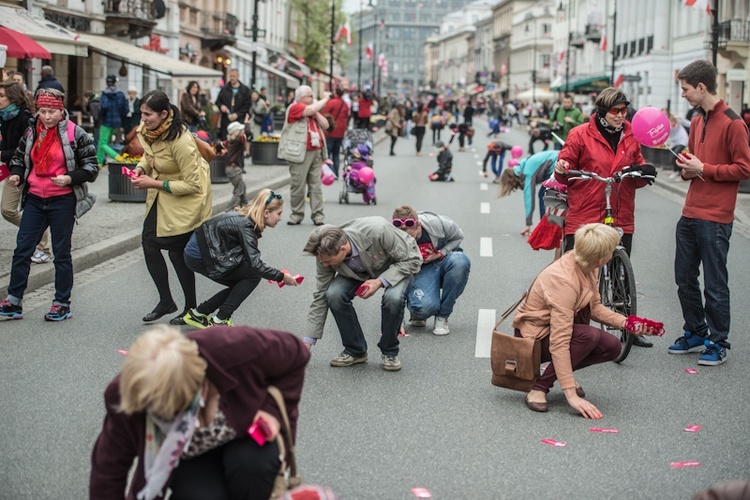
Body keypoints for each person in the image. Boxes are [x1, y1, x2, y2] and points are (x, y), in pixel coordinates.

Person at [89, 324, 310, 500]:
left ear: (201, 387)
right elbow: (109, 469)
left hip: (247, 436)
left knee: (252, 467)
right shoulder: (126, 396)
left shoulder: (232, 348)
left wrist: (272, 411)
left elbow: (297, 352)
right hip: (189, 455)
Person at [513, 223, 656, 417]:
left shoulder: (587, 264)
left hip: (554, 330)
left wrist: (627, 323)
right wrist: (571, 395)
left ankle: (556, 373)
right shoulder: (563, 280)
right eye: (611, 250)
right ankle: (539, 388)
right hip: (532, 337)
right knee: (588, 336)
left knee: (612, 346)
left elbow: (595, 307)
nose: (614, 253)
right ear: (600, 258)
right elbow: (559, 341)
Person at [553, 87, 654, 347]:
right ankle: (573, 328)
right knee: (577, 276)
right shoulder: (579, 135)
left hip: (620, 212)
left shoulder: (631, 134)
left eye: (624, 110)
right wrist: (563, 168)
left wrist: (643, 171)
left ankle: (627, 327)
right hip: (586, 213)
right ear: (601, 112)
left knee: (621, 272)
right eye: (615, 111)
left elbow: (637, 174)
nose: (622, 116)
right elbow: (563, 172)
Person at [668, 59, 750, 366]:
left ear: (702, 87)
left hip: (716, 217)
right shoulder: (697, 120)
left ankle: (718, 341)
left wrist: (705, 168)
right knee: (684, 278)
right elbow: (694, 162)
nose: (684, 95)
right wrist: (688, 169)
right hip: (690, 211)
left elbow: (744, 168)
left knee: (715, 284)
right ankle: (696, 331)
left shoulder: (734, 122)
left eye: (686, 89)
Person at [0, 88, 98, 321]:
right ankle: (14, 301)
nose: (46, 116)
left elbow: (92, 167)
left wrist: (69, 178)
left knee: (61, 253)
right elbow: (19, 158)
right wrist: (17, 174)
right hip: (34, 198)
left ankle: (61, 303)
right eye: (43, 111)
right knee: (22, 250)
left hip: (62, 200)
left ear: (61, 110)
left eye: (52, 111)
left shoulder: (76, 133)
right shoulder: (32, 130)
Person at [129, 90, 212, 325]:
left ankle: (190, 308)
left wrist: (152, 183)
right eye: (141, 113)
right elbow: (150, 154)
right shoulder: (151, 129)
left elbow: (193, 184)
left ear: (164, 114)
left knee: (178, 253)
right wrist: (141, 168)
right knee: (150, 243)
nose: (143, 118)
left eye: (148, 114)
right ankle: (168, 301)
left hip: (187, 201)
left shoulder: (181, 141)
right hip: (163, 196)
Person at [302, 218, 421, 371]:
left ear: (343, 248)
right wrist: (308, 341)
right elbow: (320, 294)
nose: (325, 265)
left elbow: (412, 260)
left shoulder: (379, 231)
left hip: (398, 265)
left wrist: (380, 281)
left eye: (329, 261)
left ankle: (389, 351)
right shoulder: (325, 253)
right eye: (322, 261)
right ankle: (355, 350)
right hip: (358, 271)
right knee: (333, 294)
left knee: (393, 298)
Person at [182, 189, 298, 328]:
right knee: (253, 276)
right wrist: (282, 277)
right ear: (266, 213)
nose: (280, 218)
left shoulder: (247, 220)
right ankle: (221, 320)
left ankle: (199, 314)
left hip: (203, 252)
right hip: (199, 256)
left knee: (240, 285)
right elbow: (256, 265)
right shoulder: (246, 227)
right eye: (279, 213)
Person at [392, 206, 470, 336]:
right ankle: (417, 310)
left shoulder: (437, 224)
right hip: (418, 269)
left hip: (442, 260)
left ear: (419, 225)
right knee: (422, 309)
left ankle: (443, 316)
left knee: (460, 261)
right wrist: (396, 320)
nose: (409, 240)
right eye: (404, 237)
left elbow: (458, 236)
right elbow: (394, 276)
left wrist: (441, 253)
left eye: (412, 236)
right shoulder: (390, 237)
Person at [0, 80, 52, 264]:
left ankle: (42, 247)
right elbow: (6, 145)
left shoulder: (25, 119)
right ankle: (37, 233)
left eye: (1, 96)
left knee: (25, 208)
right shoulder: (5, 117)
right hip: (11, 169)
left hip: (28, 170)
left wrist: (2, 153)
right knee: (7, 210)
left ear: (12, 97)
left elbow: (26, 148)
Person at [278, 86, 329, 226]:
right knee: (298, 185)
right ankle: (296, 214)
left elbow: (325, 125)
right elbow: (311, 110)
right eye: (310, 96)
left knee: (316, 186)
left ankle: (318, 216)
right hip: (300, 153)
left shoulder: (312, 110)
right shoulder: (294, 107)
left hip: (316, 151)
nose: (312, 99)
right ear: (301, 98)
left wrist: (316, 111)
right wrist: (324, 99)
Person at [498, 150, 558, 236]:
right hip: (558, 160)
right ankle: (548, 225)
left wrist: (528, 223)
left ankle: (545, 228)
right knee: (545, 193)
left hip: (558, 163)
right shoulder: (523, 165)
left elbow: (529, 198)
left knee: (543, 195)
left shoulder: (527, 172)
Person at [97, 74, 128, 166]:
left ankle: (116, 156)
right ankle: (99, 162)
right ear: (115, 82)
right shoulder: (121, 94)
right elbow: (126, 109)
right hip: (117, 123)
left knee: (102, 143)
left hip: (106, 122)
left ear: (107, 83)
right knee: (104, 142)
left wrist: (101, 117)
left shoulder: (104, 94)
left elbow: (103, 107)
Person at [215, 69, 252, 140]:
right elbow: (218, 102)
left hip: (239, 119)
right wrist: (221, 106)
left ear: (238, 76)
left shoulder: (245, 90)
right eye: (230, 76)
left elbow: (247, 105)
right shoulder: (224, 89)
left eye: (234, 76)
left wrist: (238, 114)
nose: (232, 78)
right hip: (226, 119)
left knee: (238, 140)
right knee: (226, 139)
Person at [321, 86, 349, 178]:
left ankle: (331, 173)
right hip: (340, 132)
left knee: (328, 153)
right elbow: (347, 117)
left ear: (336, 92)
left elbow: (324, 115)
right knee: (336, 153)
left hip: (331, 131)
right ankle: (336, 172)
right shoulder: (344, 104)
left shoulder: (331, 103)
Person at [220, 121, 249, 212]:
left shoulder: (230, 141)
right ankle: (229, 210)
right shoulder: (238, 140)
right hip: (234, 169)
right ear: (237, 132)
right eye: (241, 130)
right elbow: (249, 134)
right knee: (239, 190)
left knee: (242, 187)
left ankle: (246, 207)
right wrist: (247, 123)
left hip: (230, 168)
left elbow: (219, 145)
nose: (243, 131)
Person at [667, 112, 689, 180]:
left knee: (675, 155)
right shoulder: (666, 124)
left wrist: (680, 119)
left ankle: (677, 172)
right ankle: (678, 172)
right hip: (674, 142)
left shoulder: (677, 121)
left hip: (682, 140)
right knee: (673, 158)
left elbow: (688, 123)